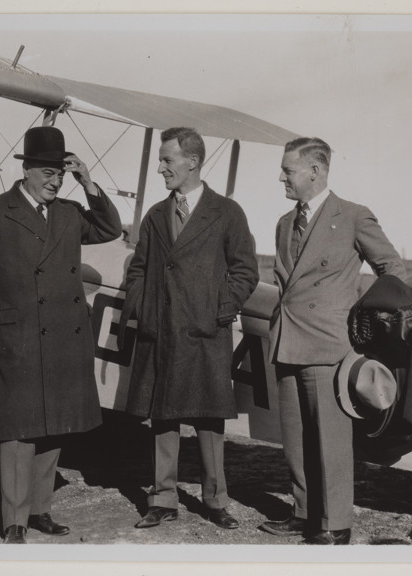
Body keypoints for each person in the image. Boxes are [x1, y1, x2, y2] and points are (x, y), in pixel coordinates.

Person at [0, 126, 122, 544]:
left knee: (55, 426)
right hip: (18, 334)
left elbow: (110, 228)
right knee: (18, 429)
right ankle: (13, 519)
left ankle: (39, 510)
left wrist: (88, 183)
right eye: (49, 173)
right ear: (28, 169)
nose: (56, 181)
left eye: (61, 174)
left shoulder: (70, 213)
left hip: (65, 337)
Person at [263, 136, 405, 545]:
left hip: (328, 344)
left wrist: (368, 321)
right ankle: (304, 510)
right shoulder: (284, 223)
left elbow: (393, 270)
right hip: (287, 339)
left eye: (288, 170)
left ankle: (336, 522)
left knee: (330, 439)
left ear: (315, 171)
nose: (281, 177)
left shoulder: (354, 216)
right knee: (295, 437)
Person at [121, 127, 259, 530]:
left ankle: (215, 499)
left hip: (205, 333)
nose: (160, 168)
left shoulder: (226, 212)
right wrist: (143, 311)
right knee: (162, 416)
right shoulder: (155, 215)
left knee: (208, 418)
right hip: (160, 332)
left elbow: (245, 270)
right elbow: (140, 269)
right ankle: (162, 498)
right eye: (161, 160)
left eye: (167, 160)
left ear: (192, 161)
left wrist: (218, 309)